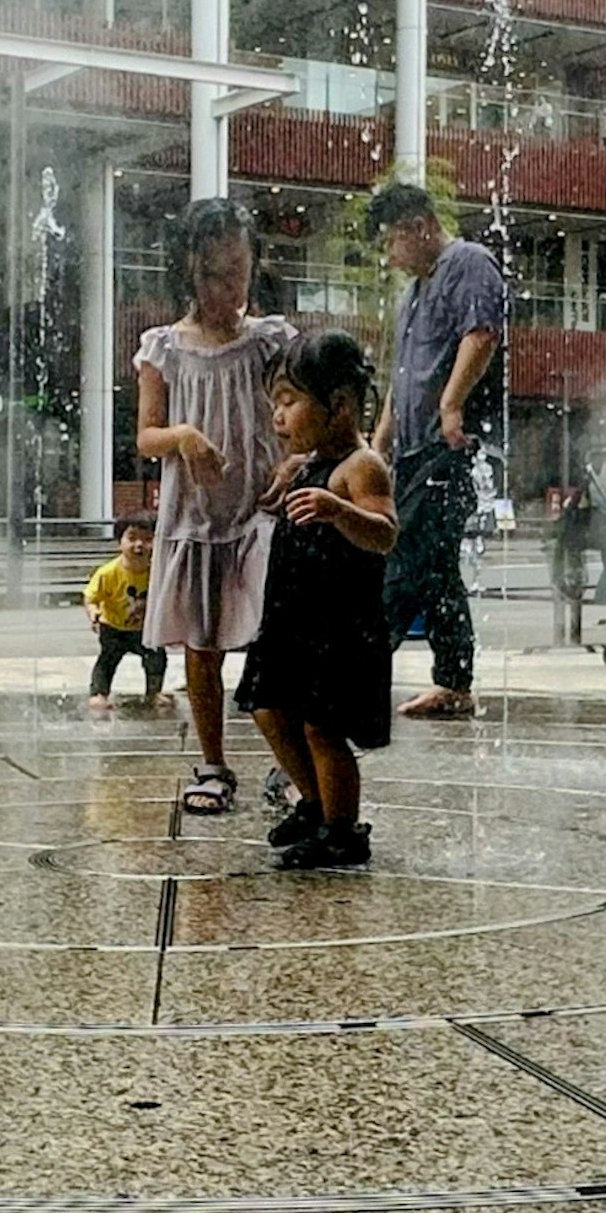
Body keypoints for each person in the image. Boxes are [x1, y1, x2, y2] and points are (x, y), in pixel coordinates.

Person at [133, 194, 296, 817]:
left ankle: (288, 761)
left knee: (274, 640)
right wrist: (184, 437)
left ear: (253, 265)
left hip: (261, 511)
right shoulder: (164, 348)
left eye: (236, 272)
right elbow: (148, 436)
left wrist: (291, 464)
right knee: (203, 648)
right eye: (210, 276)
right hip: (195, 517)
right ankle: (214, 763)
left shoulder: (269, 341)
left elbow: (293, 418)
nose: (225, 288)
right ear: (187, 273)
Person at [241, 327, 399, 871]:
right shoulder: (304, 465)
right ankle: (313, 803)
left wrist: (339, 510)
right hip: (292, 620)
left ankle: (343, 829)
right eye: (274, 405)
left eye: (288, 402)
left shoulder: (362, 467)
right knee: (267, 707)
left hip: (340, 626)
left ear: (340, 404)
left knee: (322, 727)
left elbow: (385, 532)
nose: (278, 417)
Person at [366, 182, 506, 719]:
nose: (389, 256)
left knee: (406, 559)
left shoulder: (469, 263)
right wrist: (378, 446)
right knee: (436, 568)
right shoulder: (412, 294)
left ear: (419, 227)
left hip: (448, 449)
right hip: (412, 451)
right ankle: (454, 683)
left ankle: (362, 669)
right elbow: (402, 379)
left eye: (391, 242)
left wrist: (452, 405)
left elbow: (481, 334)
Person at [82, 521, 166, 713]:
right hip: (113, 627)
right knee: (107, 661)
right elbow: (91, 597)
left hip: (145, 629)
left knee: (156, 658)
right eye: (132, 538)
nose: (139, 545)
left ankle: (154, 692)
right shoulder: (108, 572)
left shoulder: (158, 573)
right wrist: (93, 611)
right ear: (119, 543)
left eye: (147, 540)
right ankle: (99, 694)